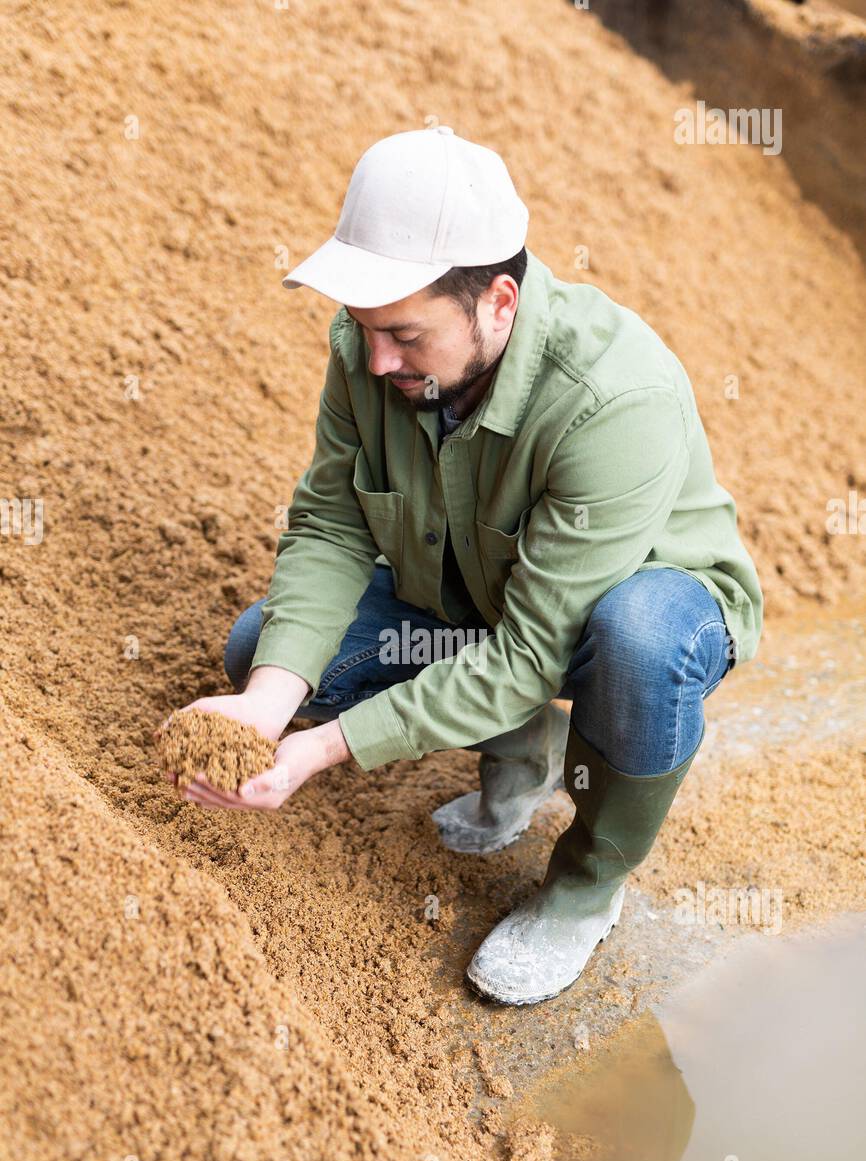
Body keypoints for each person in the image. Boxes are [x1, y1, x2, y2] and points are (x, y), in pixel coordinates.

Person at [161, 125, 763, 1007]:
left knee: (638, 640)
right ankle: (530, 751)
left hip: (639, 612)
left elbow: (528, 654)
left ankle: (586, 886)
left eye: (404, 334)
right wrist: (269, 707)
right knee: (264, 652)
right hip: (475, 582)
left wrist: (320, 751)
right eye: (366, 330)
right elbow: (330, 524)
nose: (377, 361)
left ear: (500, 304)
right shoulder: (371, 350)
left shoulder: (612, 397)